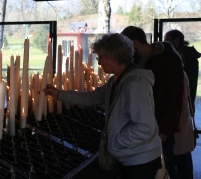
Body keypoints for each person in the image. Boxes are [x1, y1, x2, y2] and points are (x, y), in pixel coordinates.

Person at [43, 33, 162, 179]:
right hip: (130, 157)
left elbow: (145, 127)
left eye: (100, 57)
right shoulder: (116, 81)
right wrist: (58, 94)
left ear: (112, 56)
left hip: (141, 161)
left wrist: (116, 142)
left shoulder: (135, 84)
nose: (98, 62)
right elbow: (92, 97)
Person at [122, 26, 184, 179]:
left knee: (165, 166)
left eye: (126, 46)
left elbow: (175, 98)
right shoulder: (135, 60)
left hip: (160, 126)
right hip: (142, 125)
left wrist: (163, 131)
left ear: (134, 43)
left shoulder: (168, 59)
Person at [164, 29, 201, 114]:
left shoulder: (186, 57)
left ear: (176, 41)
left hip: (183, 99)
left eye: (167, 40)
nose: (164, 43)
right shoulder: (186, 55)